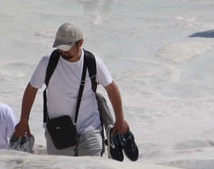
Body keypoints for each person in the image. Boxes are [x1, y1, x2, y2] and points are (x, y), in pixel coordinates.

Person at [13, 23, 129, 156]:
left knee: (90, 167)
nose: (63, 51)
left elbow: (112, 89)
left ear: (80, 43)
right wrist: (24, 120)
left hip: (90, 128)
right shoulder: (48, 62)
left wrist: (120, 120)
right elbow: (31, 89)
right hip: (58, 131)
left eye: (67, 48)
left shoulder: (92, 62)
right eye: (60, 47)